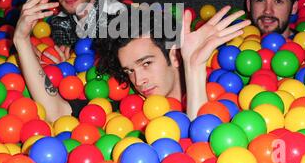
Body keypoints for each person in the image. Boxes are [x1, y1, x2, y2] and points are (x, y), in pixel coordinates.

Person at [95, 6, 251, 120]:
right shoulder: (127, 113)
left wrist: (194, 68)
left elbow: (202, 144)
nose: (138, 81)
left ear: (175, 56)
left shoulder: (225, 98)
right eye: (129, 71)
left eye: (146, 63)